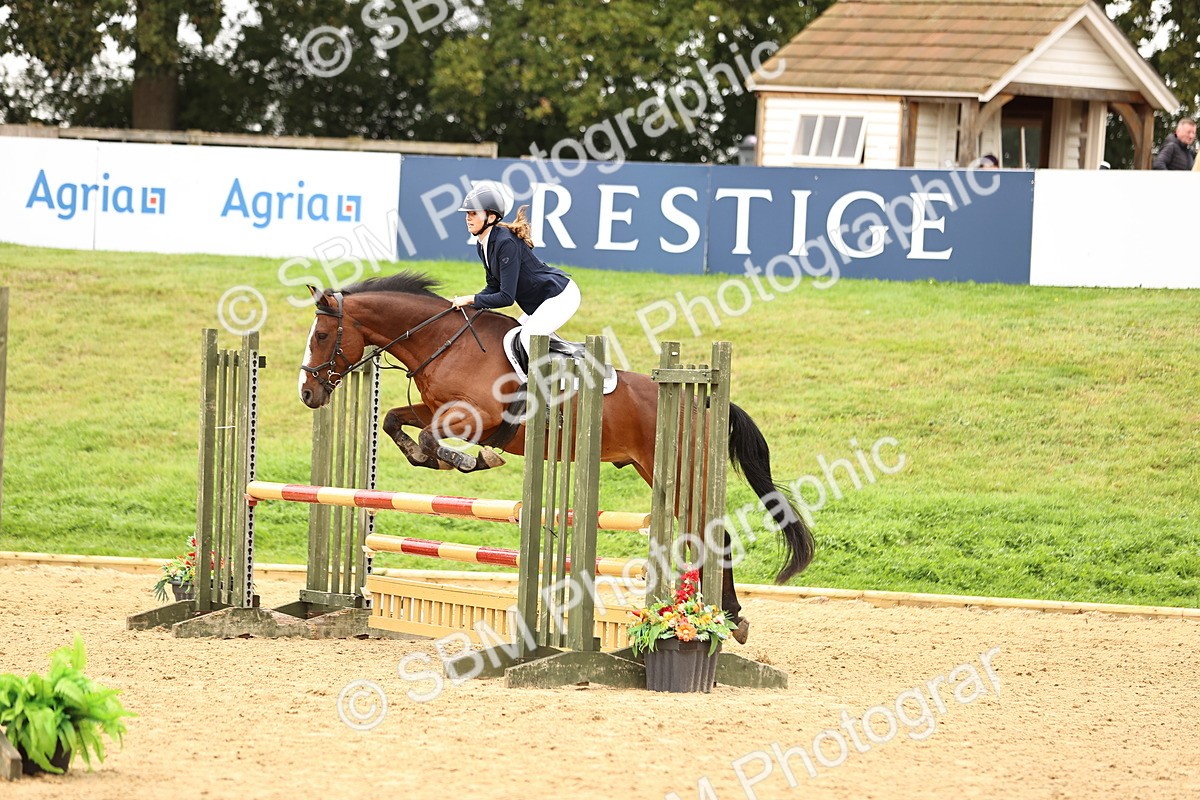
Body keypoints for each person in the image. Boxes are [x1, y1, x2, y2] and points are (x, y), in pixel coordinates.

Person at [451, 180, 581, 366]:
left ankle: (544, 391)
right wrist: (470, 307)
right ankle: (572, 360)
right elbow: (493, 286)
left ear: (491, 217)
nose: (468, 218)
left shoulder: (506, 243)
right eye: (467, 213)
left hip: (560, 297)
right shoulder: (483, 245)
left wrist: (471, 299)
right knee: (514, 336)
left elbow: (506, 297)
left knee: (527, 338)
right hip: (542, 301)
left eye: (474, 213)